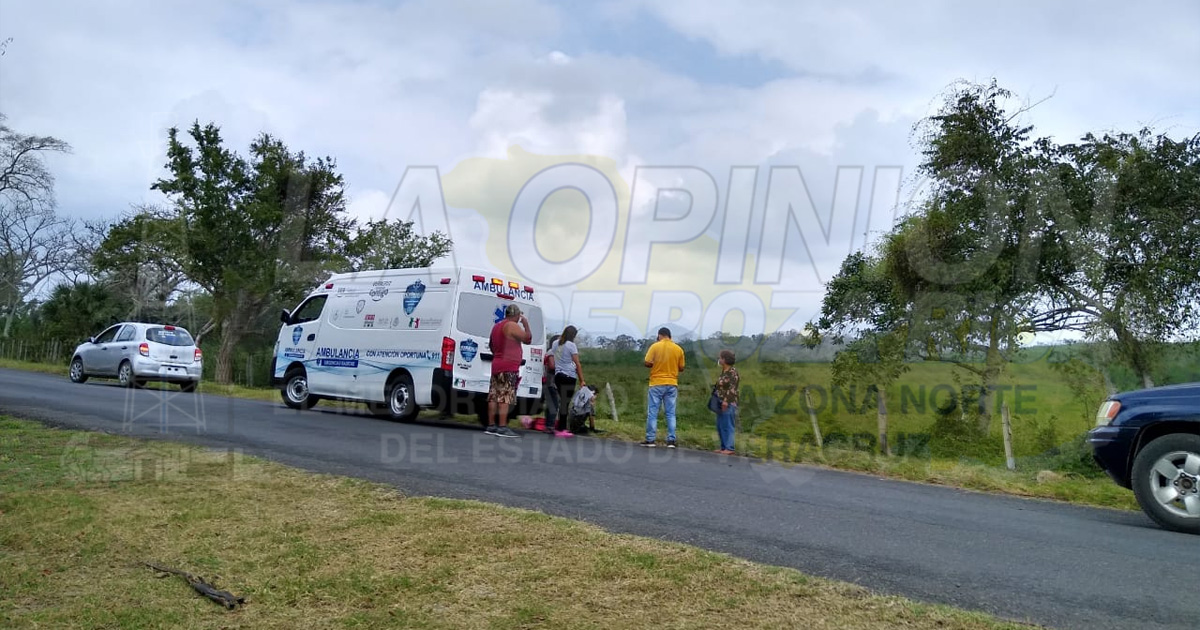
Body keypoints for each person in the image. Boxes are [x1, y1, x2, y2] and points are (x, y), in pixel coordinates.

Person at [486, 303, 532, 438]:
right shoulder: (512, 325)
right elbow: (528, 339)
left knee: (493, 396)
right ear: (516, 315)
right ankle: (502, 426)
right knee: (505, 396)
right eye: (519, 315)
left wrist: (498, 354)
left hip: (497, 364)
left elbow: (491, 345)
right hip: (508, 366)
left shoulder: (496, 326)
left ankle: (491, 425)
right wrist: (526, 324)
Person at [641, 327, 685, 448]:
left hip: (656, 383)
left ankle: (650, 439)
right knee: (670, 413)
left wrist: (655, 363)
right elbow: (681, 367)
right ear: (669, 336)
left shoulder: (655, 346)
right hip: (672, 383)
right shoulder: (678, 349)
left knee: (653, 412)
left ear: (660, 335)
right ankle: (671, 440)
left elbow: (647, 362)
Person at [550, 325, 585, 437]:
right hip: (569, 376)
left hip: (558, 375)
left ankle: (559, 426)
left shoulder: (555, 343)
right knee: (565, 403)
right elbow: (577, 363)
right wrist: (582, 380)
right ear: (573, 335)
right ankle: (562, 428)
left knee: (562, 402)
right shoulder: (571, 345)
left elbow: (553, 356)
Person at [713, 349, 740, 454]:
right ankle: (723, 447)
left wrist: (726, 401)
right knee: (720, 425)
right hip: (719, 401)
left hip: (729, 402)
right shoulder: (724, 372)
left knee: (728, 425)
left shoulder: (732, 372)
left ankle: (729, 448)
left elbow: (732, 388)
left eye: (720, 358)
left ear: (724, 360)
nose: (719, 359)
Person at [542, 333, 560, 430]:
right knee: (554, 404)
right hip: (551, 381)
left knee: (551, 404)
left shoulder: (551, 352)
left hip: (550, 381)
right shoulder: (552, 352)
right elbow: (552, 366)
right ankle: (550, 425)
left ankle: (548, 425)